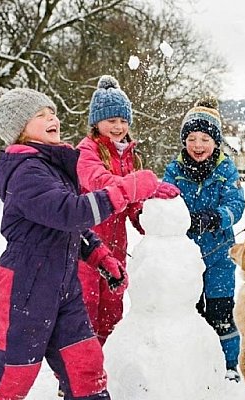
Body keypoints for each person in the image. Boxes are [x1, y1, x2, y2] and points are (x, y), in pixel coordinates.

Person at [0, 87, 167, 400]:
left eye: (52, 112)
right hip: (26, 286)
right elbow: (71, 213)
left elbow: (69, 228)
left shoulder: (51, 167)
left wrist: (100, 255)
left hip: (63, 286)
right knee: (12, 375)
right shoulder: (26, 172)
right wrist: (128, 187)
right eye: (40, 115)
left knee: (85, 367)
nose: (52, 118)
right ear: (19, 130)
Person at [76, 75, 179, 346]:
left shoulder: (130, 155)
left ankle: (107, 361)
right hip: (86, 244)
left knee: (112, 305)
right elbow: (99, 182)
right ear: (96, 122)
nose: (118, 126)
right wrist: (142, 185)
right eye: (111, 120)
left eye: (123, 120)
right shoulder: (86, 152)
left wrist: (150, 220)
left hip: (116, 244)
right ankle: (75, 373)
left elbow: (132, 204)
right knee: (85, 305)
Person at [162, 97, 245, 382]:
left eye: (205, 139)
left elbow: (237, 205)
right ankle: (193, 362)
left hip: (220, 253)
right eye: (193, 138)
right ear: (185, 140)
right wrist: (176, 219)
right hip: (185, 256)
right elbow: (165, 200)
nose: (198, 145)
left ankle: (228, 364)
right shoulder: (174, 170)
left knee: (221, 311)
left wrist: (216, 217)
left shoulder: (226, 169)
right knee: (190, 311)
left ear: (216, 142)